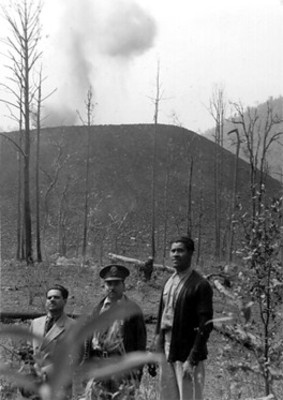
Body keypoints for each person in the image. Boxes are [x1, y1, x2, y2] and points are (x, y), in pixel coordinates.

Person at [155, 236, 213, 400]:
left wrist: (192, 359)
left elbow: (205, 324)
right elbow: (162, 319)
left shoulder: (200, 285)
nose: (175, 255)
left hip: (187, 354)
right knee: (167, 396)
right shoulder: (168, 282)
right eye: (173, 251)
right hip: (168, 350)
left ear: (190, 253)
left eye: (180, 250)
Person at [84, 264, 147, 400]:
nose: (112, 287)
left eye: (116, 283)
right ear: (104, 286)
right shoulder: (97, 309)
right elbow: (89, 340)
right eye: (109, 284)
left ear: (123, 286)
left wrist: (137, 371)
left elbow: (140, 342)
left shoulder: (132, 310)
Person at [21, 284, 75, 399]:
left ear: (65, 301)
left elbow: (74, 358)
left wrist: (46, 371)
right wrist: (26, 356)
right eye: (49, 297)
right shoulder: (36, 323)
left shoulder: (72, 326)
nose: (52, 300)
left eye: (56, 297)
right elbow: (30, 348)